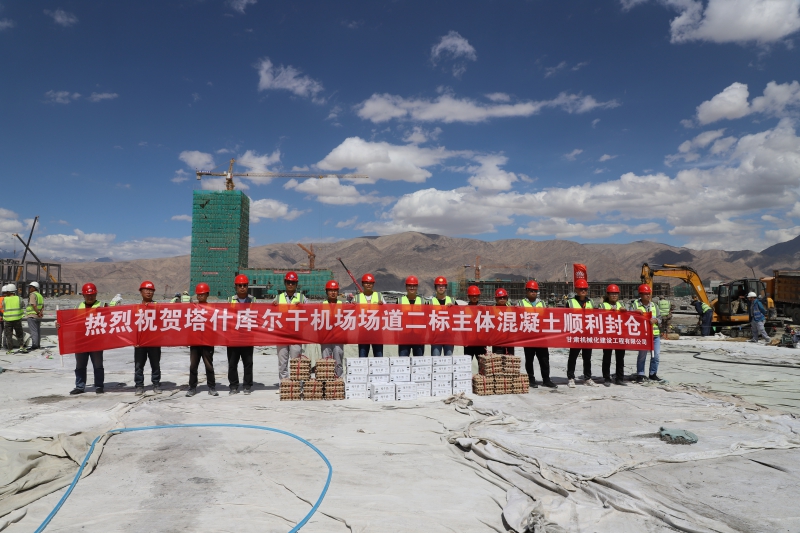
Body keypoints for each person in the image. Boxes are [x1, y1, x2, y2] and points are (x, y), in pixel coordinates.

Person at [61, 283, 107, 394]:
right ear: (83, 295)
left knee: (98, 365)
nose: (90, 297)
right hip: (81, 341)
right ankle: (80, 386)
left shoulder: (102, 305)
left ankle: (99, 386)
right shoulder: (78, 306)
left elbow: (111, 319)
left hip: (96, 341)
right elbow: (71, 321)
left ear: (96, 294)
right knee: (80, 365)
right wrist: (60, 324)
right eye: (87, 295)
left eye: (92, 295)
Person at [518, 281, 556, 388]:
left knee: (544, 359)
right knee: (529, 359)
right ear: (526, 291)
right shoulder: (521, 303)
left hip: (541, 336)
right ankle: (531, 379)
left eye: (535, 290)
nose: (533, 292)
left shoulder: (542, 303)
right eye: (531, 290)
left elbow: (547, 317)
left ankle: (546, 379)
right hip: (528, 336)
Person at [187, 282, 217, 397]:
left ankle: (212, 387)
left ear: (207, 294)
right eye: (198, 294)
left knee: (209, 365)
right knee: (193, 366)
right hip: (195, 342)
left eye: (202, 294)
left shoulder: (211, 308)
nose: (200, 296)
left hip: (207, 342)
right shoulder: (193, 308)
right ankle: (192, 387)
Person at [229, 274, 257, 395]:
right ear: (235, 287)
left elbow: (258, 315)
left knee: (248, 363)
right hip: (233, 337)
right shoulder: (230, 300)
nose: (242, 288)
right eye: (239, 285)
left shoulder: (253, 300)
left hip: (247, 336)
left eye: (244, 285)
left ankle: (247, 385)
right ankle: (233, 386)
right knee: (232, 363)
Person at [275, 271, 306, 379]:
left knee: (296, 362)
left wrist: (303, 307)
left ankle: (296, 384)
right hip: (282, 335)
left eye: (293, 283)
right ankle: (284, 384)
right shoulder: (278, 298)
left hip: (295, 335)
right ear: (285, 283)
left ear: (296, 284)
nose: (290, 284)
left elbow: (310, 313)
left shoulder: (302, 298)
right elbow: (271, 314)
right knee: (282, 362)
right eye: (288, 282)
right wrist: (273, 306)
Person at [134, 280, 162, 395]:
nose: (149, 292)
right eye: (146, 290)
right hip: (140, 342)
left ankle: (156, 384)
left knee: (155, 365)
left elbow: (162, 323)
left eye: (151, 290)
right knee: (139, 365)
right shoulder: (136, 308)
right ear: (141, 292)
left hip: (154, 342)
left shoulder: (158, 307)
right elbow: (133, 326)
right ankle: (139, 385)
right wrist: (134, 340)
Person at [566, 278, 594, 388]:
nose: (583, 291)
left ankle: (587, 378)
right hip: (576, 333)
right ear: (576, 290)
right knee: (573, 357)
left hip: (587, 333)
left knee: (587, 358)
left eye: (585, 289)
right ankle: (571, 378)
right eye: (581, 289)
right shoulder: (570, 302)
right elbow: (565, 317)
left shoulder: (590, 302)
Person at [632, 284, 661, 383]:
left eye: (649, 293)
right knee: (642, 355)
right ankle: (640, 374)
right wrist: (635, 312)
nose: (648, 295)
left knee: (656, 356)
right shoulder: (635, 305)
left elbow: (660, 318)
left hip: (654, 335)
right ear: (640, 294)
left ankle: (653, 374)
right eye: (645, 294)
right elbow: (628, 315)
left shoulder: (654, 305)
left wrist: (656, 320)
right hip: (643, 335)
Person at [601, 284, 626, 386]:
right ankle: (606, 378)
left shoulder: (622, 305)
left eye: (616, 293)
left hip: (620, 335)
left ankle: (620, 378)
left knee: (620, 358)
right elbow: (599, 317)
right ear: (608, 295)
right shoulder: (603, 306)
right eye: (612, 293)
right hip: (608, 335)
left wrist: (624, 312)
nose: (614, 295)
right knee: (607, 358)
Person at [357, 273, 385, 358]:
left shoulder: (379, 296)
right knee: (362, 358)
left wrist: (382, 306)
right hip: (363, 332)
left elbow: (387, 312)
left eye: (370, 283)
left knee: (379, 358)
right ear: (362, 284)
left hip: (377, 332)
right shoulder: (357, 298)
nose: (368, 284)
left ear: (373, 284)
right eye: (366, 282)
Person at [321, 280, 344, 377]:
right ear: (326, 292)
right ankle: (327, 380)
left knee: (338, 359)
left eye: (335, 290)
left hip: (338, 337)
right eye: (330, 290)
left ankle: (338, 379)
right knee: (326, 361)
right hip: (326, 337)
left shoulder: (343, 304)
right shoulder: (322, 305)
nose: (333, 292)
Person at [429, 276, 455, 356]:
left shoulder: (452, 301)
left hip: (449, 337)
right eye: (439, 286)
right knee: (435, 360)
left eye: (443, 286)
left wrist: (453, 308)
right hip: (436, 337)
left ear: (446, 287)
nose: (441, 287)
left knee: (449, 360)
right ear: (435, 287)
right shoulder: (430, 302)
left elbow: (458, 316)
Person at [398, 276, 425, 357]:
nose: (412, 288)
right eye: (410, 286)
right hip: (404, 337)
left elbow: (427, 318)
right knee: (402, 362)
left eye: (414, 286)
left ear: (417, 287)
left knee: (419, 362)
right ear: (406, 287)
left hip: (418, 337)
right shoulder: (399, 301)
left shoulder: (423, 301)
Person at [463, 285, 487, 360]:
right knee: (467, 364)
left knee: (482, 364)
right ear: (468, 297)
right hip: (468, 342)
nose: (474, 297)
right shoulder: (464, 309)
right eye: (472, 296)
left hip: (480, 342)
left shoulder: (483, 309)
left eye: (476, 296)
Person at [2, 284, 24, 354]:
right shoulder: (19, 298)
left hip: (7, 320)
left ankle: (10, 349)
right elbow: (22, 305)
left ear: (8, 291)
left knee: (9, 335)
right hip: (17, 319)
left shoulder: (5, 299)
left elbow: (3, 307)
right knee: (19, 334)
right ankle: (21, 347)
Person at [492, 288, 514, 355]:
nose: (502, 299)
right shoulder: (491, 310)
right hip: (497, 341)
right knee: (497, 360)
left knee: (510, 360)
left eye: (504, 297)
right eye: (500, 298)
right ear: (496, 299)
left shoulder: (511, 309)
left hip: (509, 341)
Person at [25, 282, 44, 350]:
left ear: (34, 288)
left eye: (30, 287)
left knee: (34, 331)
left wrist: (38, 312)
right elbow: (42, 306)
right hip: (38, 316)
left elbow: (34, 305)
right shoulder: (40, 295)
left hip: (32, 315)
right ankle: (38, 345)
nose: (29, 289)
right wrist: (40, 313)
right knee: (38, 331)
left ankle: (35, 345)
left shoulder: (32, 295)